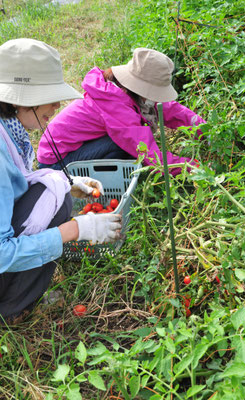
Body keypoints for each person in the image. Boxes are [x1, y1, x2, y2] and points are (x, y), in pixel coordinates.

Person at [0, 38, 122, 322]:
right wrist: (75, 230)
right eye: (49, 96)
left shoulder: (9, 131)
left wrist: (68, 185)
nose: (57, 104)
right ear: (19, 99)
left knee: (56, 188)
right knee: (53, 196)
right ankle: (11, 309)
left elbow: (10, 189)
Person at [37, 47, 206, 175]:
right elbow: (148, 153)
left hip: (71, 148)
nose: (156, 98)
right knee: (128, 147)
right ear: (141, 89)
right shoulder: (115, 104)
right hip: (56, 164)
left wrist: (204, 129)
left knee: (127, 143)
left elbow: (167, 108)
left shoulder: (121, 89)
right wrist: (193, 167)